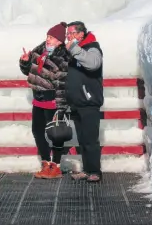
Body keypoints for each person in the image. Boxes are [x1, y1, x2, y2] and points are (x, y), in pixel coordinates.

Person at [19, 22, 70, 179]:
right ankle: (46, 163)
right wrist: (26, 61)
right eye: (48, 36)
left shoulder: (63, 57)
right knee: (37, 131)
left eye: (52, 38)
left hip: (52, 100)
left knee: (55, 133)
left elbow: (63, 83)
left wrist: (61, 107)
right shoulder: (39, 51)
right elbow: (27, 71)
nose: (48, 40)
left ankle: (56, 165)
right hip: (38, 99)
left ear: (60, 41)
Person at [64, 20, 104, 182]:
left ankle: (95, 171)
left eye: (71, 33)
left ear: (80, 34)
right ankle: (87, 170)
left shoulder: (92, 47)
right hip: (76, 101)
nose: (68, 37)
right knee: (82, 139)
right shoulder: (75, 50)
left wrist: (74, 48)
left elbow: (93, 64)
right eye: (67, 34)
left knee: (90, 138)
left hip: (89, 101)